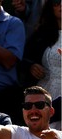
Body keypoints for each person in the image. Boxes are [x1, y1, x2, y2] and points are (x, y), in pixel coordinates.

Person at [22, 0, 61, 130]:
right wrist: (31, 66)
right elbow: (24, 58)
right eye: (56, 2)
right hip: (45, 93)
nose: (61, 5)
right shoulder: (42, 33)